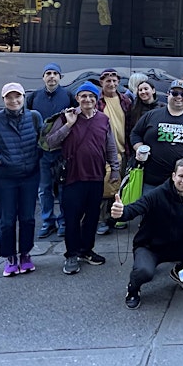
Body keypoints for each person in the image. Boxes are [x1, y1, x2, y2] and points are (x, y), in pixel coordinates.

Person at [110, 158, 183, 308]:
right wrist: (121, 213)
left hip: (178, 244)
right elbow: (135, 208)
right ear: (173, 176)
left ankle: (180, 272)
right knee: (144, 272)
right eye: (181, 176)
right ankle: (133, 290)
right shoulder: (157, 194)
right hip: (150, 246)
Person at [45, 82, 121, 275]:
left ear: (97, 100)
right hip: (72, 176)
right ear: (77, 98)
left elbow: (110, 146)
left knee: (92, 217)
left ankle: (86, 250)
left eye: (92, 97)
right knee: (72, 218)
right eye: (83, 96)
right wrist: (69, 125)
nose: (87, 100)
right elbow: (51, 142)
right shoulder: (66, 117)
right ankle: (71, 254)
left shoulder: (103, 119)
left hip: (96, 176)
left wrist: (115, 169)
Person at [0, 82, 43, 276]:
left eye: (18, 96)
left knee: (28, 218)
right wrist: (1, 159)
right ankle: (9, 257)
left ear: (24, 97)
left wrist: (35, 158)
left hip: (29, 176)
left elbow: (43, 141)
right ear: (3, 99)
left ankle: (25, 254)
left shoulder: (34, 116)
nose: (14, 101)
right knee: (7, 220)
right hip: (3, 178)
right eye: (9, 97)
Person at [130, 79, 183, 190]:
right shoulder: (152, 115)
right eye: (175, 93)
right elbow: (135, 134)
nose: (179, 97)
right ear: (168, 95)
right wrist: (139, 148)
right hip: (152, 181)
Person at [26, 63, 74, 239]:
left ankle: (63, 222)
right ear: (43, 77)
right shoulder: (34, 97)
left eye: (55, 73)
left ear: (60, 77)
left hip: (62, 151)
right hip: (42, 152)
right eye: (48, 73)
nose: (52, 76)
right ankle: (48, 221)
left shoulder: (68, 96)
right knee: (44, 189)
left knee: (63, 188)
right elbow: (27, 121)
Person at [96, 68, 132, 234]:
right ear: (101, 83)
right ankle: (102, 220)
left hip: (123, 149)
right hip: (103, 152)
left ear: (118, 82)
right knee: (105, 186)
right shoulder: (97, 101)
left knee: (120, 186)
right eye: (107, 81)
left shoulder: (125, 101)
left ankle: (116, 217)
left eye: (114, 81)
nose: (111, 84)